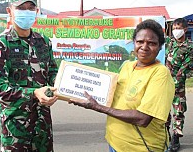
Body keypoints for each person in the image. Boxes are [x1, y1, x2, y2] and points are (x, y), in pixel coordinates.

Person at [70, 19, 175, 152]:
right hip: (115, 142)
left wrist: (98, 107)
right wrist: (76, 90)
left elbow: (143, 118)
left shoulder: (161, 74)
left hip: (140, 147)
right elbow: (112, 96)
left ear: (160, 47)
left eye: (152, 43)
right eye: (140, 42)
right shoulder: (127, 66)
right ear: (134, 43)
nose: (144, 47)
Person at [0, 0, 58, 152]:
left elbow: (52, 71)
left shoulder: (44, 42)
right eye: (20, 8)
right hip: (16, 129)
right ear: (9, 11)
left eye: (30, 8)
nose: (26, 12)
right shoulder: (0, 46)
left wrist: (64, 88)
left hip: (43, 126)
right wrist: (34, 93)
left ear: (36, 12)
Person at [165, 18, 193, 152]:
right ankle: (166, 137)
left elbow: (186, 67)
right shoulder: (169, 43)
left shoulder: (190, 47)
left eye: (178, 28)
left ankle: (176, 140)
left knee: (178, 112)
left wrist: (174, 82)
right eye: (174, 28)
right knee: (163, 111)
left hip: (178, 85)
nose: (176, 31)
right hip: (164, 84)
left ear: (185, 29)